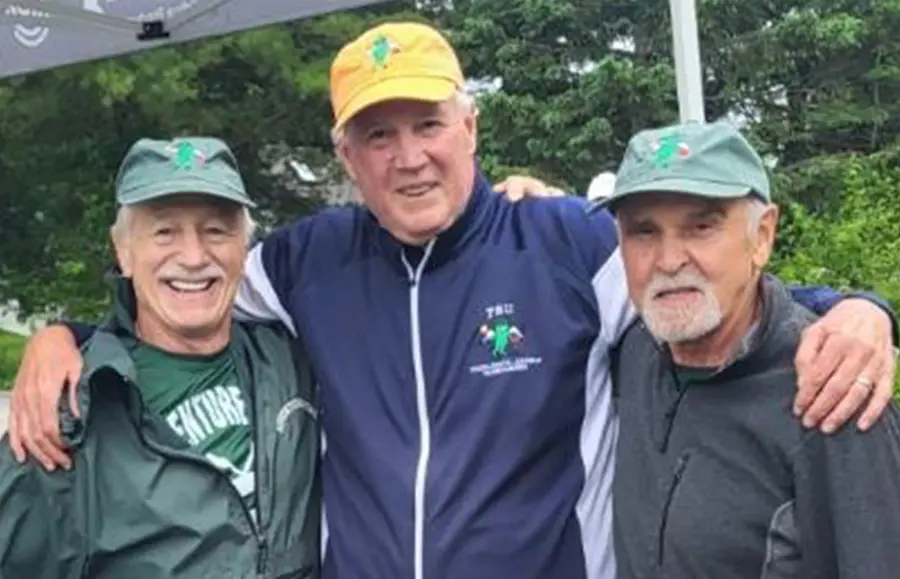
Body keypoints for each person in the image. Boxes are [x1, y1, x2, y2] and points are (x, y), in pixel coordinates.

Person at [8, 22, 897, 579]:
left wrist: (857, 307)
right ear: (346, 153)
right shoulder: (303, 262)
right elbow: (181, 291)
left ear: (469, 125)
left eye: (428, 124)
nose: (408, 157)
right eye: (377, 134)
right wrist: (69, 335)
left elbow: (705, 280)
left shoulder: (568, 242)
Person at [0, 137, 320, 578]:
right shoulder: (68, 412)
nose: (193, 257)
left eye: (216, 231)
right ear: (124, 252)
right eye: (165, 231)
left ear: (243, 250)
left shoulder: (291, 360)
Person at [608, 121, 900, 578]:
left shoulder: (831, 394)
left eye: (701, 226)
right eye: (643, 232)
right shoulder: (633, 353)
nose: (668, 260)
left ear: (762, 236)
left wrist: (871, 309)